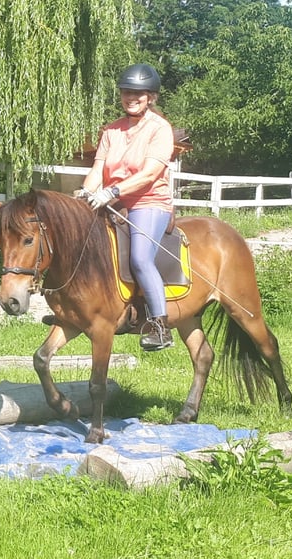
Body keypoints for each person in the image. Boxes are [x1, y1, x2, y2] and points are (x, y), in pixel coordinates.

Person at [77, 63, 175, 351]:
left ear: (151, 97)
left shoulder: (160, 129)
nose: (131, 97)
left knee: (141, 259)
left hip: (148, 201)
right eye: (126, 92)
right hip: (112, 198)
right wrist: (86, 192)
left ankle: (160, 326)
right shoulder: (112, 130)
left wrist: (113, 191)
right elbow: (98, 168)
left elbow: (149, 174)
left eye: (138, 93)